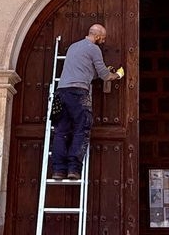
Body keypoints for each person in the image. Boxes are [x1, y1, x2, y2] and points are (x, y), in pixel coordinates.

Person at [51, 24, 122, 180]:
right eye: (102, 38)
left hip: (61, 92)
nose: (103, 42)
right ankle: (73, 169)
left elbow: (86, 71)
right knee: (81, 129)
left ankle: (57, 170)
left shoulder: (72, 47)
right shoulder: (93, 49)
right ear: (97, 36)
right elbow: (104, 75)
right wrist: (116, 75)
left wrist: (99, 72)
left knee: (60, 131)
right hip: (79, 93)